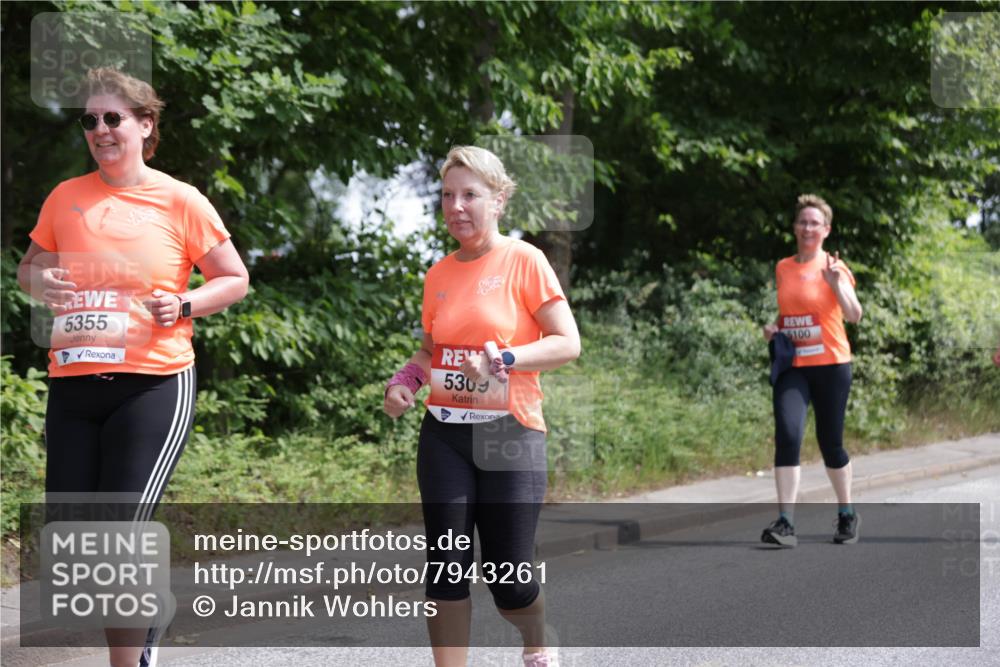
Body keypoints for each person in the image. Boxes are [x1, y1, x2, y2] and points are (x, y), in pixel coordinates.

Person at [17, 68, 249, 667]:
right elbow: (29, 269)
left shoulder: (179, 199)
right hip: (72, 385)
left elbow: (235, 277)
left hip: (153, 384)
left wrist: (185, 302)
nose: (100, 129)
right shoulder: (65, 197)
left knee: (119, 529)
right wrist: (46, 282)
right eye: (90, 120)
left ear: (146, 126)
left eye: (113, 118)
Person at [383, 146, 580, 667]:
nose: (457, 206)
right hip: (444, 431)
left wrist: (506, 358)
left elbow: (567, 343)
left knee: (507, 575)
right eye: (448, 195)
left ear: (499, 200)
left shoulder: (524, 260)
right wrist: (405, 381)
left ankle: (536, 636)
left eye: (470, 194)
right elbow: (430, 350)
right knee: (445, 565)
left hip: (508, 432)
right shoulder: (438, 275)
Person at [761, 194, 863, 548]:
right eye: (802, 221)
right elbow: (789, 312)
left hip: (832, 366)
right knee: (788, 434)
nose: (807, 228)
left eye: (814, 223)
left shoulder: (835, 267)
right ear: (795, 227)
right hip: (793, 367)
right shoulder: (783, 267)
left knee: (830, 443)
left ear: (826, 230)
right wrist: (774, 328)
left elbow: (854, 315)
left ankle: (847, 512)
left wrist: (836, 283)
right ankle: (786, 523)